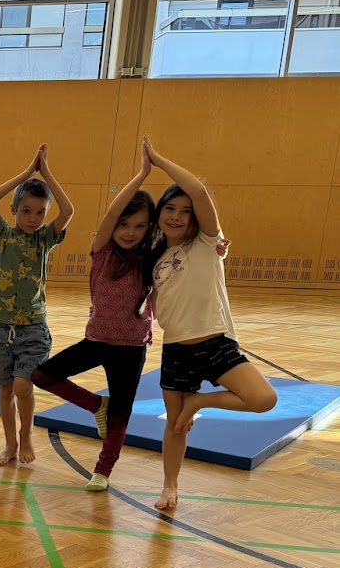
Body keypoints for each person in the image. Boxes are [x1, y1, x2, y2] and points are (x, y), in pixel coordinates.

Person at [144, 136, 276, 511]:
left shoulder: (205, 243)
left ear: (195, 218)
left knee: (263, 398)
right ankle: (170, 486)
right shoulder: (155, 257)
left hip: (215, 343)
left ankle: (200, 401)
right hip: (176, 349)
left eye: (185, 211)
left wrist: (159, 162)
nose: (176, 216)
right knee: (175, 424)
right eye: (170, 208)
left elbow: (200, 193)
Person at [30, 140, 159, 492]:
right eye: (124, 224)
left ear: (149, 229)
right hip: (97, 340)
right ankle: (95, 405)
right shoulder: (102, 251)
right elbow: (111, 213)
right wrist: (142, 175)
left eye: (139, 226)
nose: (130, 232)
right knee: (41, 375)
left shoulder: (150, 259)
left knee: (121, 414)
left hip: (131, 347)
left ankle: (102, 471)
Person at [0, 144, 74, 466]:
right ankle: (10, 444)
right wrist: (26, 173)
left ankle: (26, 435)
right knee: (5, 390)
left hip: (32, 328)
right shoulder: (1, 234)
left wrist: (46, 174)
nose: (33, 218)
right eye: (26, 211)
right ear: (15, 210)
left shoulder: (44, 238)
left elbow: (68, 211)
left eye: (40, 212)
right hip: (0, 328)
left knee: (23, 386)